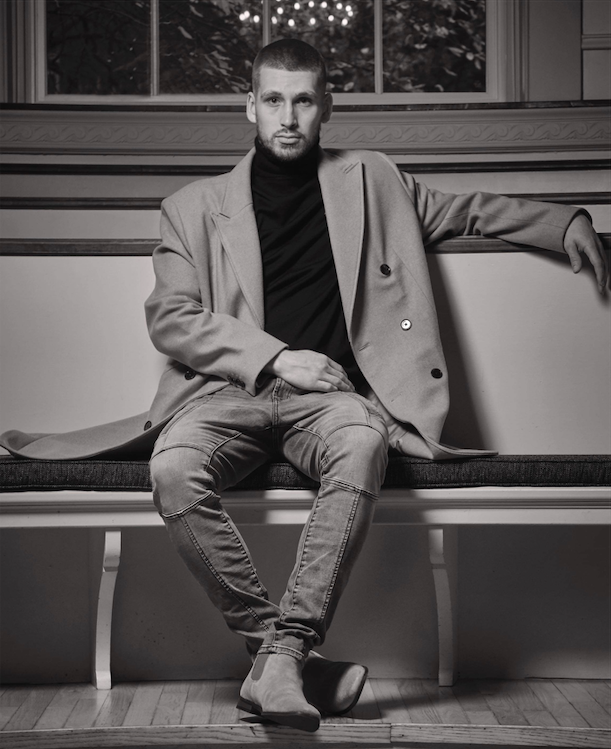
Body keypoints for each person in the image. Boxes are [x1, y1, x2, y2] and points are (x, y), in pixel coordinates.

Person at [1, 39, 607, 733]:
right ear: (249, 106)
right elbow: (170, 317)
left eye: (302, 101)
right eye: (273, 100)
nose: (287, 117)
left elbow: (469, 209)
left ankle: (282, 656)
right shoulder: (192, 206)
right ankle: (288, 659)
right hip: (225, 394)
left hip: (335, 400)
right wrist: (278, 357)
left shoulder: (373, 180)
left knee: (363, 444)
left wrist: (566, 222)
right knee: (172, 469)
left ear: (326, 106)